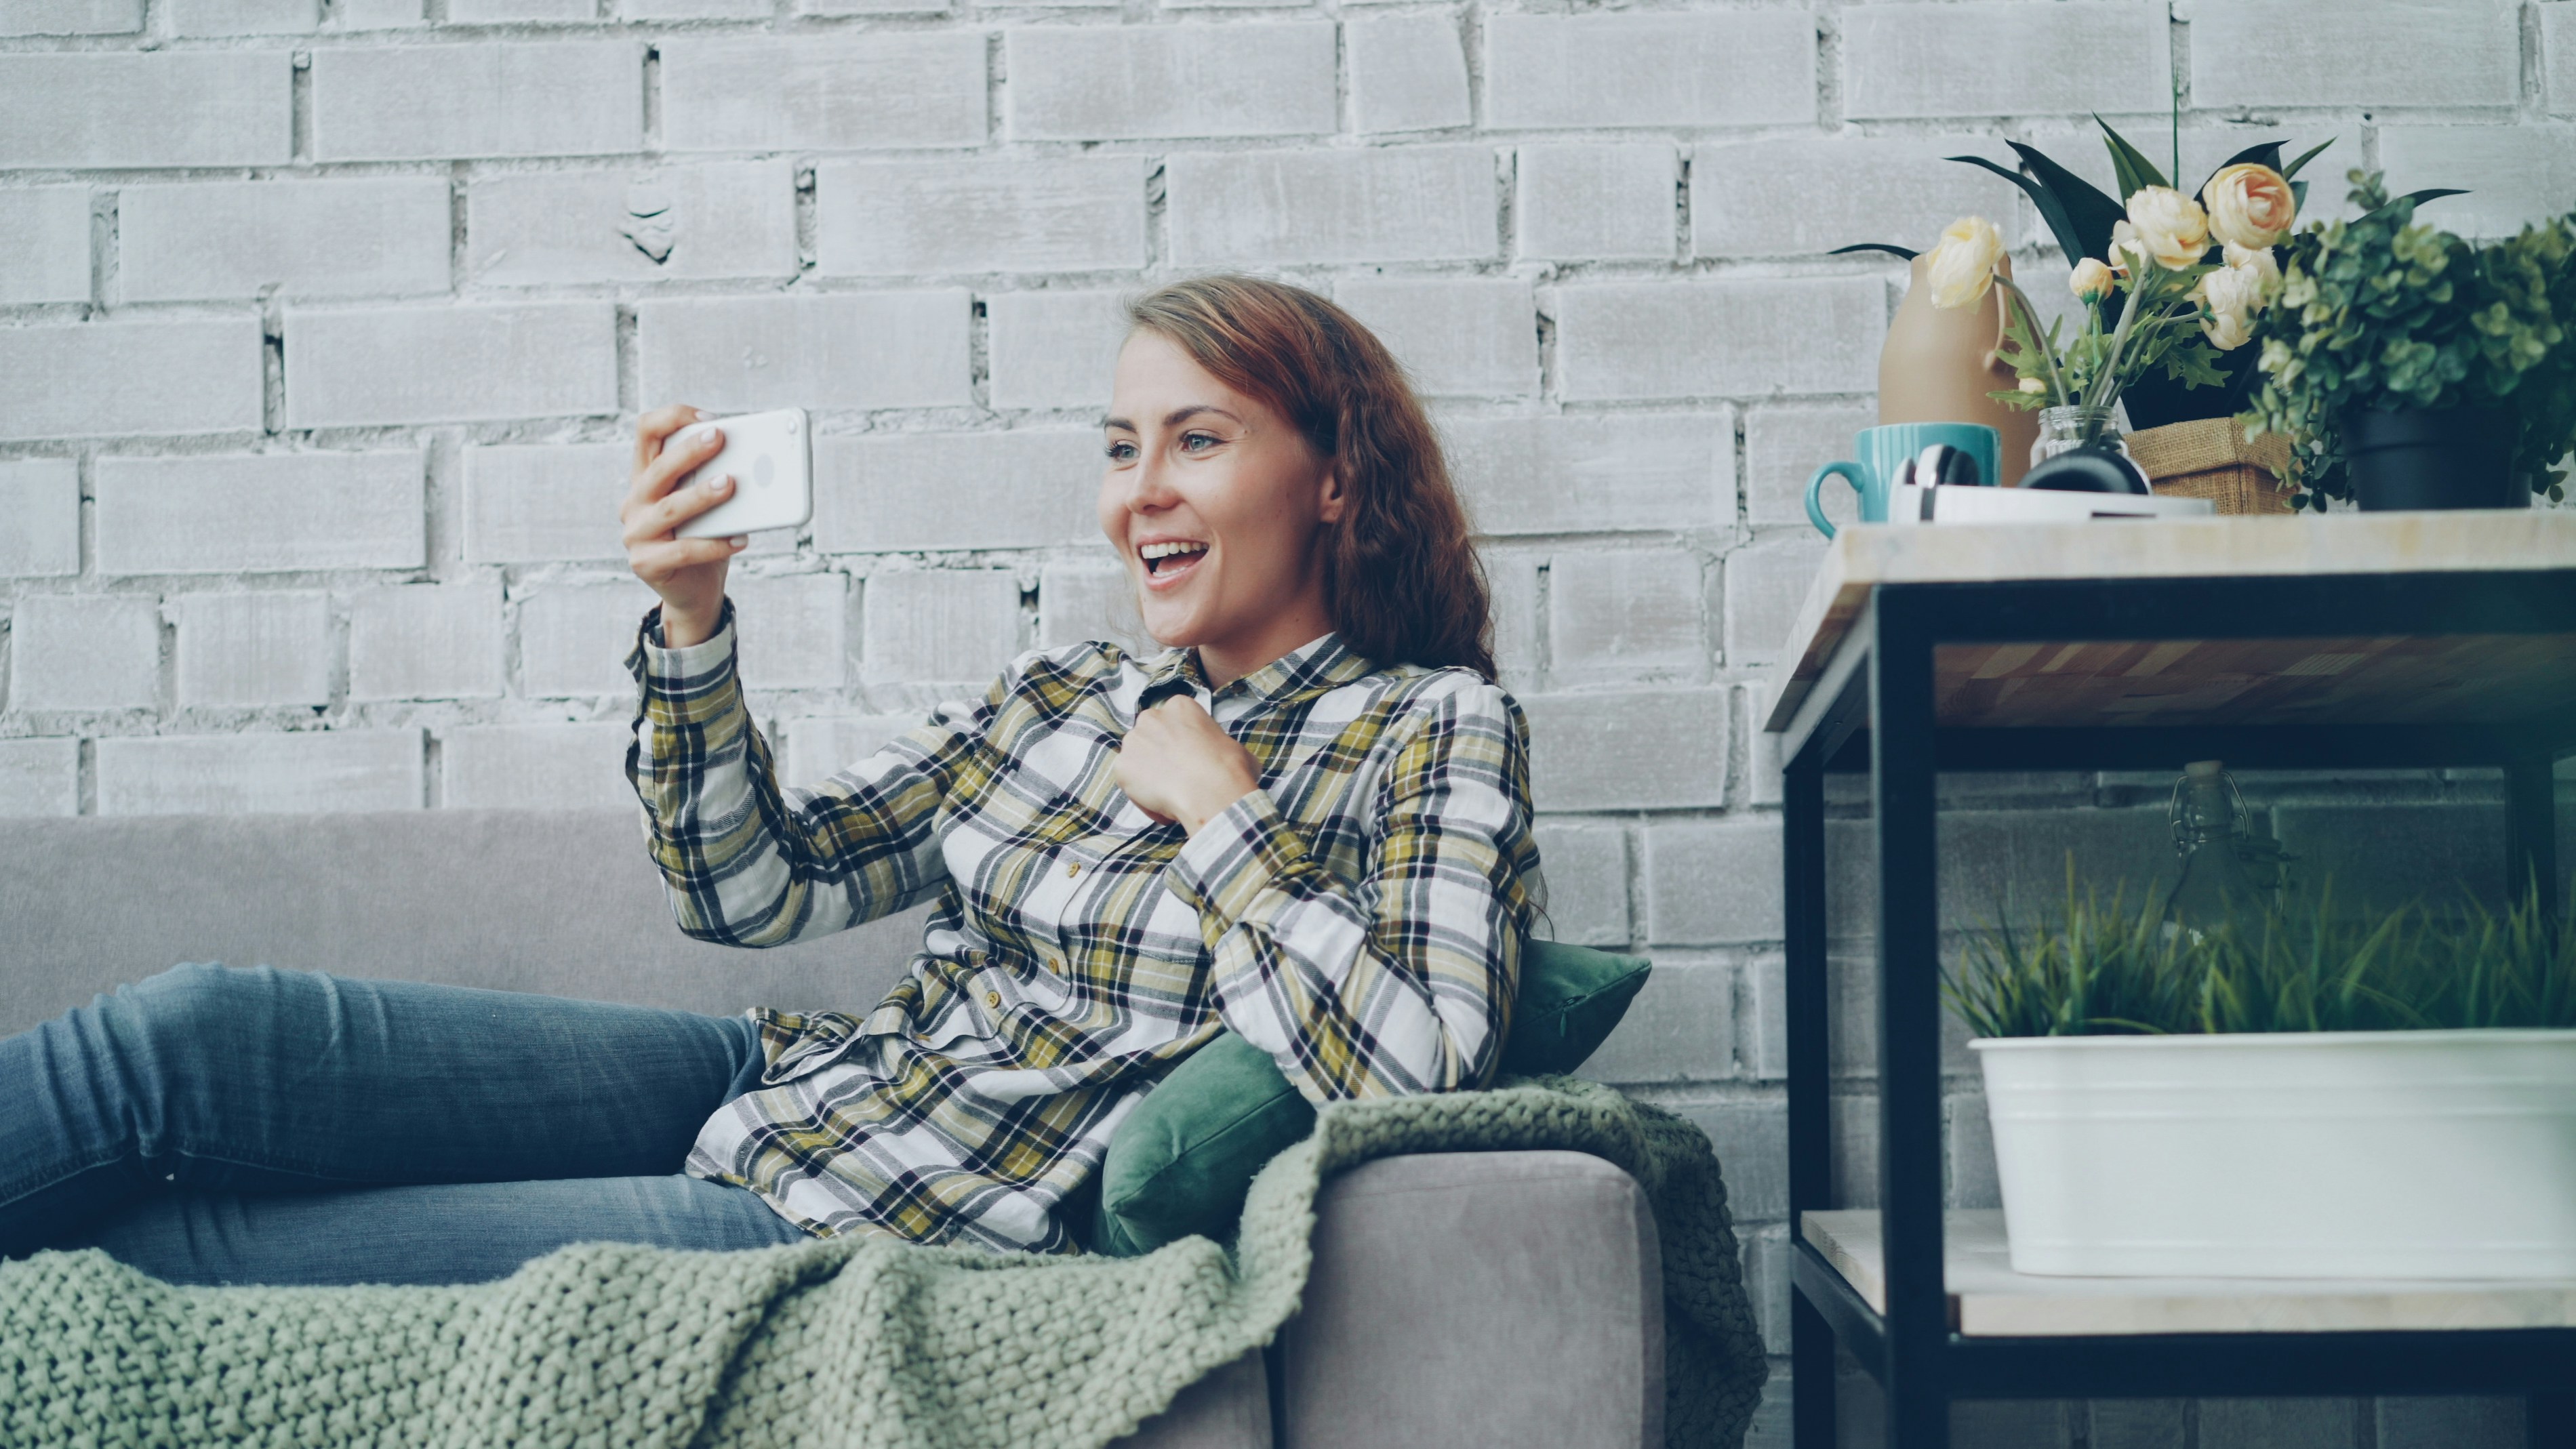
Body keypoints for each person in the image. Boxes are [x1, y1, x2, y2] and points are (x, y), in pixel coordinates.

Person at [0, 274, 1544, 1283]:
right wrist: (692, 621)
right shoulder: (1064, 692)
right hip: (787, 1081)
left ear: (1335, 478)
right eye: (1118, 444)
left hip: (879, 1206)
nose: (1136, 492)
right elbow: (760, 888)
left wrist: (1222, 812)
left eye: (1195, 441)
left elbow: (1416, 1065)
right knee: (190, 1034)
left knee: (193, 1250)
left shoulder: (1432, 730)